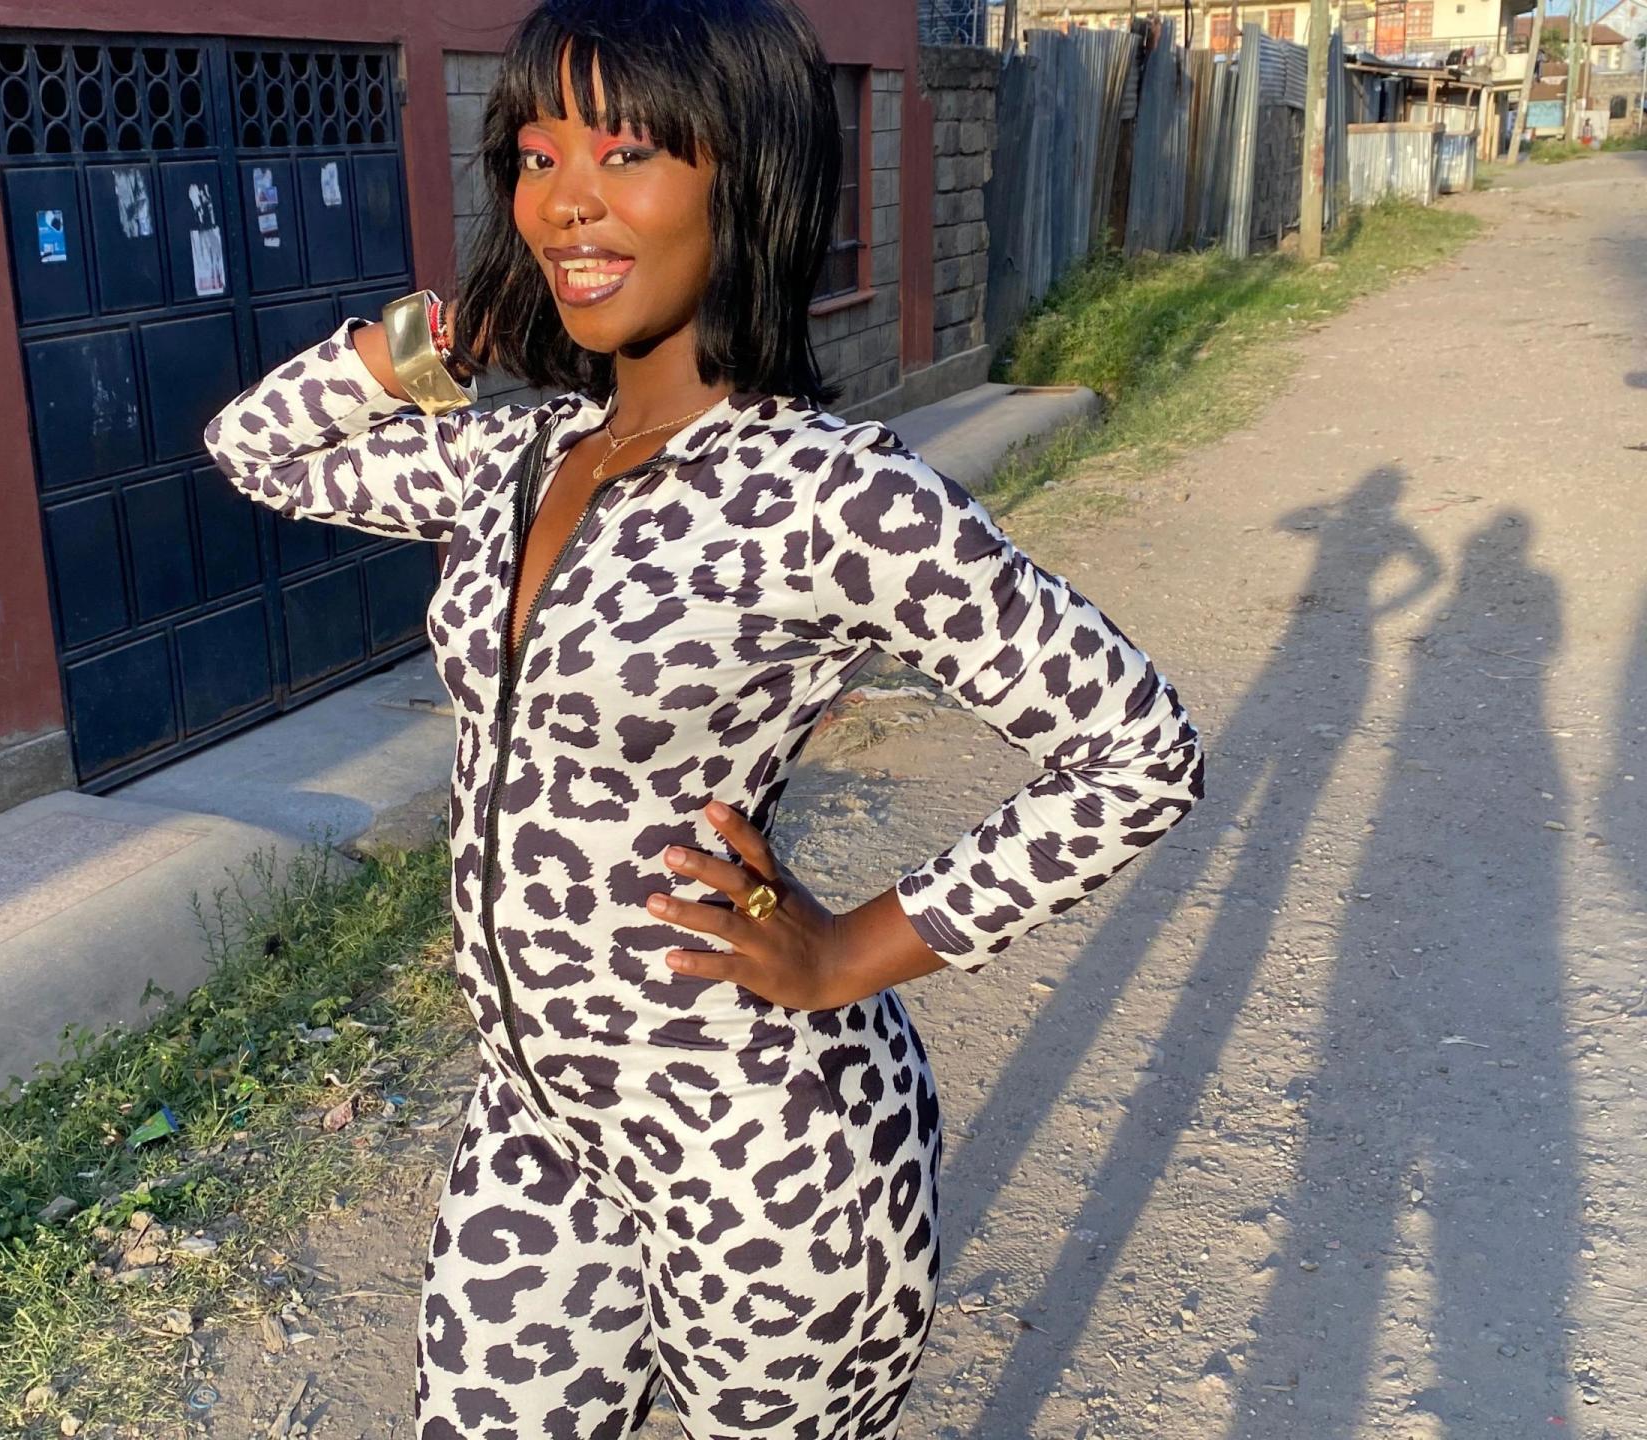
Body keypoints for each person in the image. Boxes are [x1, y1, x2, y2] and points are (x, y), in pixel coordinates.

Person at [202, 1, 1204, 1434]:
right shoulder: (513, 454)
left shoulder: (831, 492)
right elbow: (254, 447)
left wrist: (851, 949)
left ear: (749, 175)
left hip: (762, 1150)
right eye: (536, 156)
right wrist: (432, 343)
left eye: (625, 153)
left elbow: (1137, 752)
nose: (566, 202)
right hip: (534, 1123)